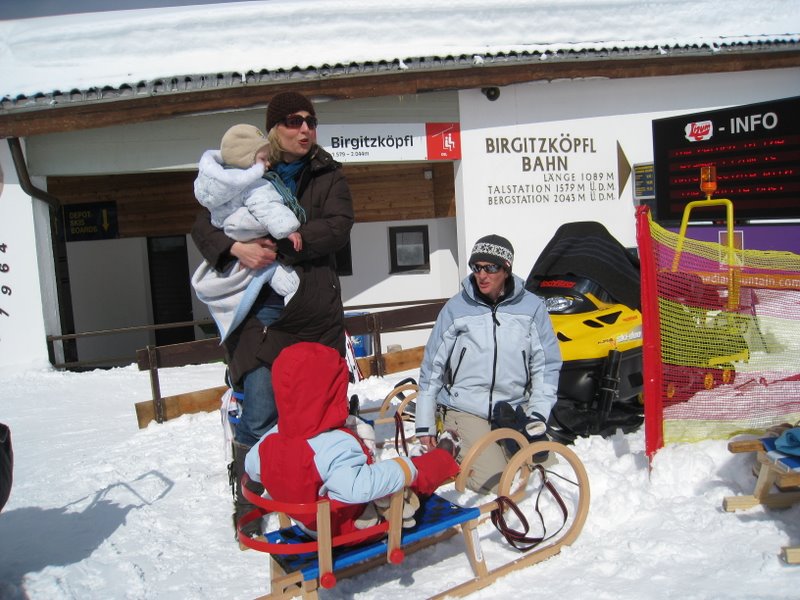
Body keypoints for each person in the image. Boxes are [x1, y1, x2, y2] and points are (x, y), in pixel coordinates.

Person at [191, 91, 354, 537]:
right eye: (294, 121)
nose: (305, 129)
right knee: (261, 411)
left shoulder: (328, 173)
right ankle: (250, 500)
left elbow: (338, 227)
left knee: (318, 415)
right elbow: (203, 223)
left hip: (313, 309)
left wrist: (277, 246)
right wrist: (235, 248)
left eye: (311, 121)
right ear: (273, 128)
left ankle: (317, 496)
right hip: (261, 317)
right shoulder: (244, 166)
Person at [244, 342, 461, 538]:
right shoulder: (333, 446)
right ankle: (443, 456)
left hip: (306, 523)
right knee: (412, 477)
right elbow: (359, 488)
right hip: (347, 527)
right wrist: (403, 468)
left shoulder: (271, 439)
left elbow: (252, 468)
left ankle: (418, 459)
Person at [414, 234, 562, 494]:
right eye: (477, 267)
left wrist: (537, 414)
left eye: (490, 268)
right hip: (467, 408)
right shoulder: (456, 308)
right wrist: (425, 422)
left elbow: (546, 365)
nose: (482, 275)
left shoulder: (531, 307)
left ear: (506, 269)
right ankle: (453, 443)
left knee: (545, 471)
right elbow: (432, 367)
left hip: (514, 407)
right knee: (496, 483)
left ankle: (497, 449)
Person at [191, 123, 305, 341]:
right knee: (292, 286)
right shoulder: (255, 184)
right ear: (248, 159)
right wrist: (288, 230)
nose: (268, 163)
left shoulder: (216, 187)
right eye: (263, 159)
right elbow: (268, 207)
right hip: (265, 289)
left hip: (243, 255)